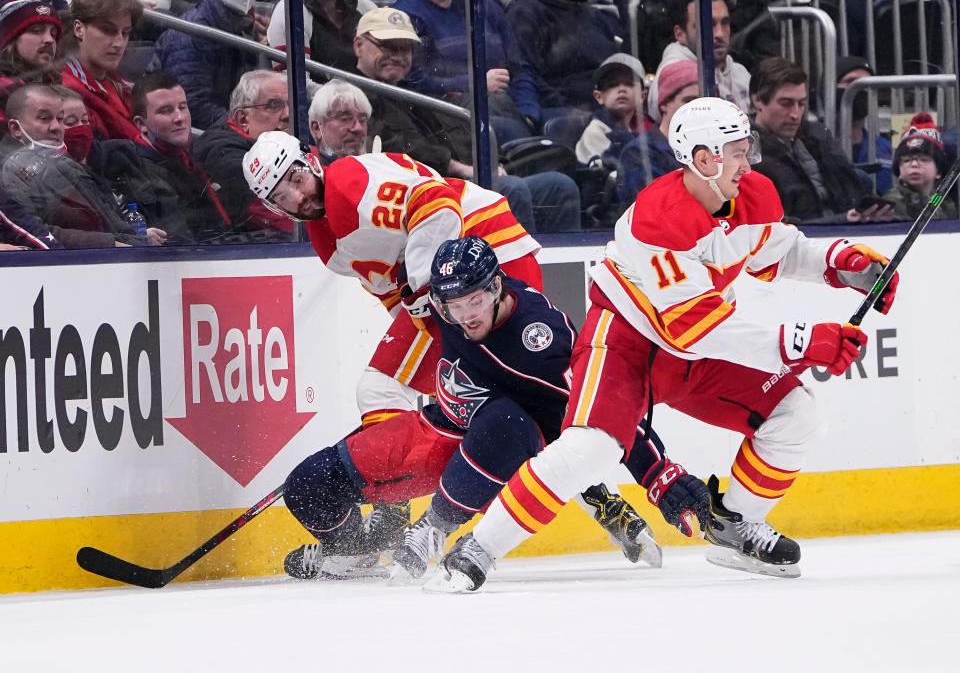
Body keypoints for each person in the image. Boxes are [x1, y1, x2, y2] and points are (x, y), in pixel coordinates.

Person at [434, 97, 901, 592]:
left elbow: (781, 253)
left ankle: (735, 528)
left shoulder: (754, 193)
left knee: (797, 415)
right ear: (704, 159)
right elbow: (698, 327)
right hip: (626, 343)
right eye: (738, 151)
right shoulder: (657, 220)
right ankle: (478, 547)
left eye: (747, 149)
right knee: (590, 449)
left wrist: (843, 263)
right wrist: (803, 340)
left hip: (689, 354)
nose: (749, 161)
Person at [281, 237, 674, 580]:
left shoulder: (538, 339)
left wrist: (658, 474)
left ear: (497, 287)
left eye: (477, 300)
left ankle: (436, 527)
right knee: (308, 486)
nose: (468, 314)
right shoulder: (442, 307)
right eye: (455, 304)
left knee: (507, 420)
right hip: (443, 431)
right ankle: (354, 554)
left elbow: (603, 407)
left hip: (504, 460)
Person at [242, 129, 542, 429]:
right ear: (274, 207)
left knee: (390, 389)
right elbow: (392, 291)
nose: (299, 197)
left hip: (490, 250)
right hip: (460, 282)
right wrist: (426, 311)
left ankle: (412, 469)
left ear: (311, 161)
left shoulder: (347, 185)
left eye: (297, 180)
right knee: (468, 391)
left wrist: (426, 287)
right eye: (282, 196)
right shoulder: (327, 243)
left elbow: (438, 205)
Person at [354, 7, 581, 234]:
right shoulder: (350, 98)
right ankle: (513, 268)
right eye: (387, 46)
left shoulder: (412, 94)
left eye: (405, 49)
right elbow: (397, 149)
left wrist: (493, 164)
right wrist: (462, 169)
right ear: (358, 46)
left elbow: (458, 133)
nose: (398, 56)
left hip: (462, 184)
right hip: (427, 197)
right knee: (512, 190)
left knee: (559, 186)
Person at [0, 84, 159, 248]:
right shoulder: (8, 171)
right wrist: (110, 243)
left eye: (60, 119)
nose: (56, 127)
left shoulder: (66, 164)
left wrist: (136, 240)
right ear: (16, 128)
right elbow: (36, 233)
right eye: (44, 118)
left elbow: (109, 219)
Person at [87, 72, 233, 244]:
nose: (179, 118)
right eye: (166, 111)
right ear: (141, 124)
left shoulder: (189, 156)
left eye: (183, 107)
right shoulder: (135, 172)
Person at [394, 0, 539, 143]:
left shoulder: (481, 5)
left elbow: (519, 66)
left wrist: (528, 111)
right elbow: (414, 81)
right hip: (451, 114)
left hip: (510, 106)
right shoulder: (408, 13)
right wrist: (474, 83)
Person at [749, 57, 885, 224]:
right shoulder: (745, 153)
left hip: (844, 233)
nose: (795, 114)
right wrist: (842, 220)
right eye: (786, 103)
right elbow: (776, 227)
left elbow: (853, 191)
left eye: (801, 103)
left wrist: (870, 211)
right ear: (758, 101)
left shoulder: (818, 135)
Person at [192, 70, 295, 241]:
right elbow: (275, 217)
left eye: (290, 105)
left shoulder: (280, 145)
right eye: (274, 105)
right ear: (243, 119)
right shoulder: (223, 154)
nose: (287, 115)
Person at [149, 0, 260, 130]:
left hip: (225, 126)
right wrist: (246, 125)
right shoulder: (191, 34)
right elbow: (193, 107)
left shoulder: (239, 27)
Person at [506, 0, 623, 116]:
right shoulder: (526, 13)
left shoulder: (594, 16)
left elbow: (616, 69)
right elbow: (526, 75)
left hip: (607, 113)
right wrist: (571, 112)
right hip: (565, 116)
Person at [647, 0, 750, 120]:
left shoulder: (740, 73)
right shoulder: (675, 79)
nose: (719, 34)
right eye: (707, 25)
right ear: (680, 34)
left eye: (725, 23)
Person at [60, 0, 143, 141]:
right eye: (107, 30)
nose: (119, 43)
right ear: (79, 29)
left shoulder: (115, 82)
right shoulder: (68, 89)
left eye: (125, 33)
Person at [617, 59, 698, 203]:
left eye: (704, 103)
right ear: (664, 104)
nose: (698, 110)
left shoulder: (717, 150)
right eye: (689, 101)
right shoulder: (639, 153)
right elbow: (653, 210)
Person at [575, 53, 649, 167]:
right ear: (599, 96)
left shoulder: (648, 127)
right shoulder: (595, 132)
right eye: (612, 84)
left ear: (642, 96)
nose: (621, 89)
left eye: (629, 83)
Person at [882, 113, 958, 221]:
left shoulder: (939, 198)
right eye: (906, 160)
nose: (914, 164)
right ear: (899, 171)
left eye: (924, 160)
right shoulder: (891, 203)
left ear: (939, 172)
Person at [835, 55, 893, 195]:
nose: (861, 89)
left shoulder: (887, 149)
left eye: (868, 85)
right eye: (851, 82)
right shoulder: (812, 148)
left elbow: (933, 197)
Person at [0, 0, 61, 121]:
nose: (49, 39)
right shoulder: (4, 91)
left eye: (53, 34)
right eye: (37, 31)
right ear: (11, 39)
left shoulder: (57, 84)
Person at [308, 78, 371, 162]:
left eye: (362, 120)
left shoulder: (379, 169)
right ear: (317, 128)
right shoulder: (304, 169)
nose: (358, 128)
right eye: (345, 119)